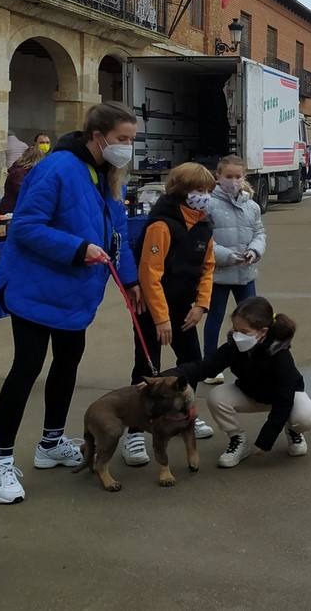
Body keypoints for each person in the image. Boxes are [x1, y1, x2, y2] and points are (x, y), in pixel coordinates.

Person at [0, 103, 142, 504]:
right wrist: (77, 248)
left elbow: (117, 231)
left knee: (67, 363)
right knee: (27, 367)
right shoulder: (57, 168)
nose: (128, 148)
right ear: (97, 135)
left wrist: (132, 279)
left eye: (132, 141)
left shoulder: (107, 177)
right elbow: (26, 227)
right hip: (36, 288)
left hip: (75, 294)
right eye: (123, 139)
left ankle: (51, 442)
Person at [122, 161, 218, 466]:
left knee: (192, 365)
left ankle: (185, 415)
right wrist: (161, 318)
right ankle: (136, 431)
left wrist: (201, 305)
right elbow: (150, 274)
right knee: (147, 368)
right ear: (181, 191)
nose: (204, 196)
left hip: (186, 309)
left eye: (207, 190)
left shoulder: (204, 225)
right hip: (153, 309)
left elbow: (208, 268)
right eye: (198, 190)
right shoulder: (161, 225)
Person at [177, 296, 311, 465]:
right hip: (252, 394)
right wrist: (166, 377)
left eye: (244, 332)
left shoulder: (280, 355)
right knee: (216, 397)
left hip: (285, 397)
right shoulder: (234, 346)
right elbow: (204, 367)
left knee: (306, 417)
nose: (237, 336)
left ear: (263, 332)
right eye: (235, 330)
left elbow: (284, 398)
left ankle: (294, 430)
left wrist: (266, 439)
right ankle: (238, 440)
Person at [203, 155, 266, 383]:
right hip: (219, 274)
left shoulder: (252, 206)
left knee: (253, 320)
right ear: (218, 177)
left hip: (246, 274)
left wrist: (254, 251)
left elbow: (259, 233)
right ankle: (210, 365)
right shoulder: (208, 204)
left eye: (237, 176)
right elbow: (205, 240)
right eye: (228, 176)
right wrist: (228, 257)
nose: (233, 181)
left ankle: (253, 361)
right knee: (215, 318)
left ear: (244, 177)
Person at [0, 142, 46, 214]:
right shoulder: (19, 173)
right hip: (12, 211)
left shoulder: (27, 172)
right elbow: (22, 193)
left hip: (18, 210)